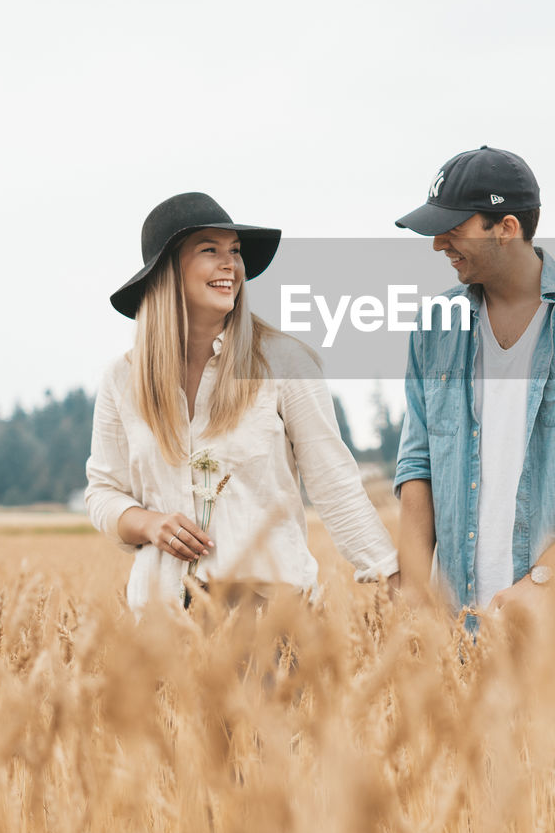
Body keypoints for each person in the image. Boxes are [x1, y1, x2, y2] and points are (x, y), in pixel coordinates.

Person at [86, 191, 399, 612]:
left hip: (271, 622)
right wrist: (150, 525)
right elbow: (104, 492)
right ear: (167, 271)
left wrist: (393, 579)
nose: (230, 264)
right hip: (162, 628)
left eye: (234, 251)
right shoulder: (121, 380)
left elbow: (335, 483)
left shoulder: (285, 363)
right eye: (209, 250)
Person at [393, 146, 555, 619]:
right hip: (460, 629)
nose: (438, 244)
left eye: (453, 230)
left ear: (507, 228)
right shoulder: (435, 324)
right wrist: (414, 592)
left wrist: (545, 582)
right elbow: (418, 463)